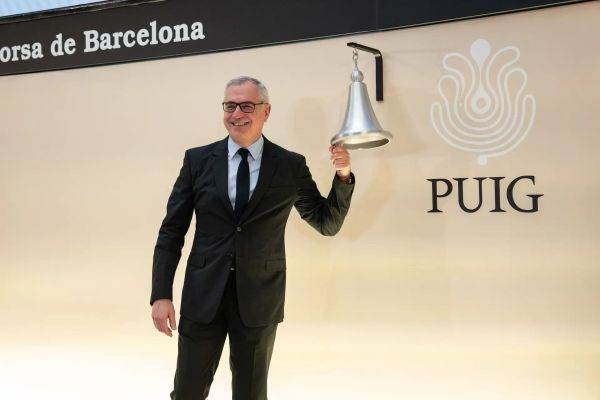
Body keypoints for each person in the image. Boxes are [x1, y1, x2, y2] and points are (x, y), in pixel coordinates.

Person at [150, 76, 355, 400]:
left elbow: (326, 223)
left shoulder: (289, 166)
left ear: (266, 111)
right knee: (187, 392)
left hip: (259, 301)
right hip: (203, 296)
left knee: (250, 395)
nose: (237, 114)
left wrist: (343, 175)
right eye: (230, 106)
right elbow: (172, 231)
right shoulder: (198, 161)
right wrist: (160, 293)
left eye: (246, 105)